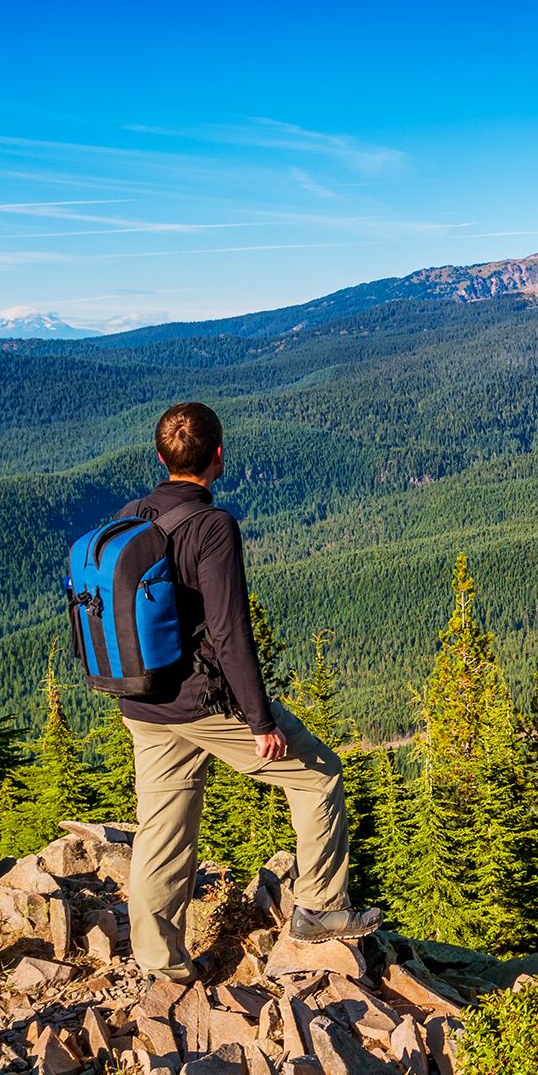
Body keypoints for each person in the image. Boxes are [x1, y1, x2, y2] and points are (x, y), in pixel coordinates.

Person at [117, 402, 379, 982]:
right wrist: (260, 721)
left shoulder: (130, 516)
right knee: (318, 775)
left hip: (142, 700)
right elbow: (231, 631)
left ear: (161, 459)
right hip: (203, 703)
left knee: (162, 826)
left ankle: (161, 964)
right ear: (218, 457)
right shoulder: (213, 527)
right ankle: (320, 910)